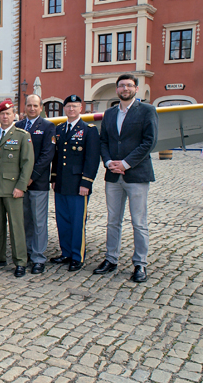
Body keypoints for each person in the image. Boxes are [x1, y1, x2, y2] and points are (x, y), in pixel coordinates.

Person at [95, 74, 158, 283]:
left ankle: (140, 264)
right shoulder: (110, 113)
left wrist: (126, 163)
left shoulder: (147, 111)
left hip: (137, 174)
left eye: (129, 85)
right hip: (113, 175)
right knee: (113, 220)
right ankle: (111, 259)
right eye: (122, 85)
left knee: (139, 222)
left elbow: (149, 142)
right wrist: (109, 162)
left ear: (136, 89)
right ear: (117, 90)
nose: (125, 88)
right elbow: (103, 141)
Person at [0, 101, 34, 278]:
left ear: (14, 115)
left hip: (13, 189)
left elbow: (27, 163)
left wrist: (21, 186)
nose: (5, 117)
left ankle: (20, 261)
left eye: (8, 113)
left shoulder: (21, 135)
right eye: (2, 114)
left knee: (16, 226)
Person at [50, 95, 100, 272]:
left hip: (78, 184)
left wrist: (86, 182)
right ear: (65, 109)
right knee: (62, 220)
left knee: (77, 221)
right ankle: (65, 253)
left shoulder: (88, 130)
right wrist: (54, 178)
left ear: (81, 108)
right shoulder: (59, 129)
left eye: (75, 106)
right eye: (68, 106)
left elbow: (92, 159)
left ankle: (77, 257)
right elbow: (56, 158)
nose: (71, 109)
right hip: (62, 183)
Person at [15, 94, 55, 275]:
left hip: (37, 182)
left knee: (39, 222)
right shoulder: (18, 126)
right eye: (29, 105)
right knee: (24, 221)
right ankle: (27, 253)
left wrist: (31, 176)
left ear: (41, 108)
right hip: (20, 183)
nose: (31, 108)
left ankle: (38, 257)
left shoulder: (48, 127)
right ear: (25, 107)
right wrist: (22, 179)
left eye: (35, 106)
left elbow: (47, 155)